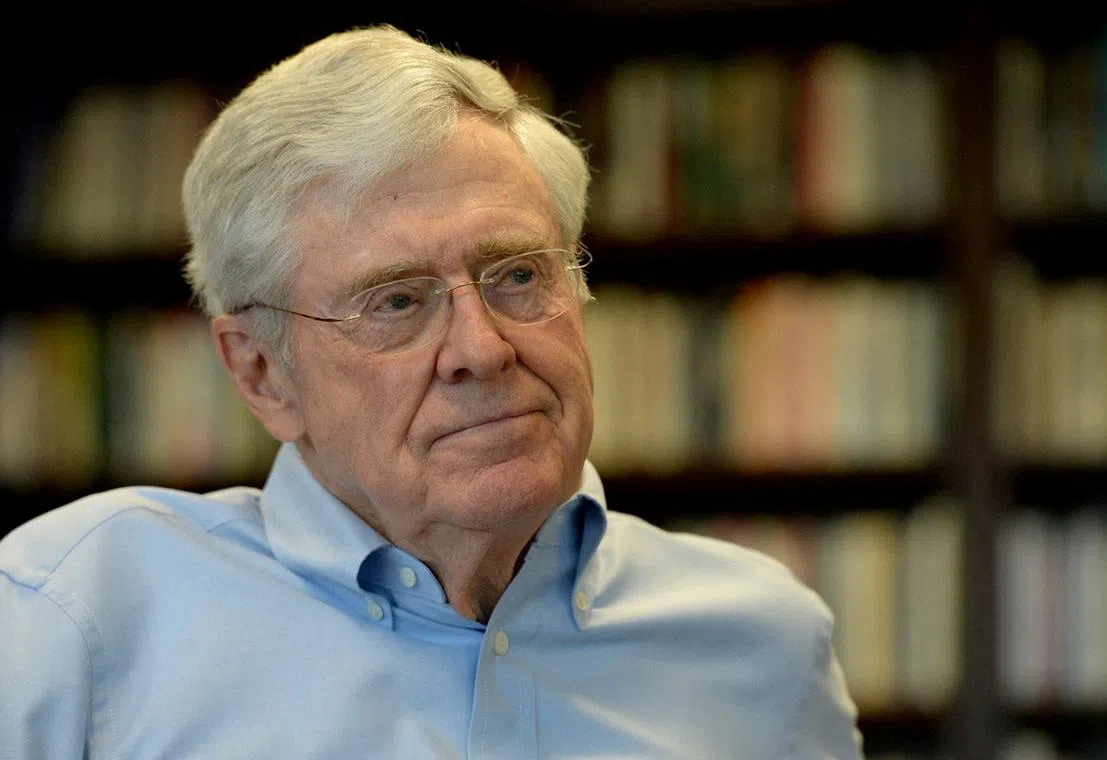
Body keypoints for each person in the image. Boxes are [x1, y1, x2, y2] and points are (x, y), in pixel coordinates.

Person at [0, 25, 863, 759]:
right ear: (262, 373)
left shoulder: (764, 644)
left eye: (519, 274)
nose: (481, 350)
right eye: (397, 302)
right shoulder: (70, 617)